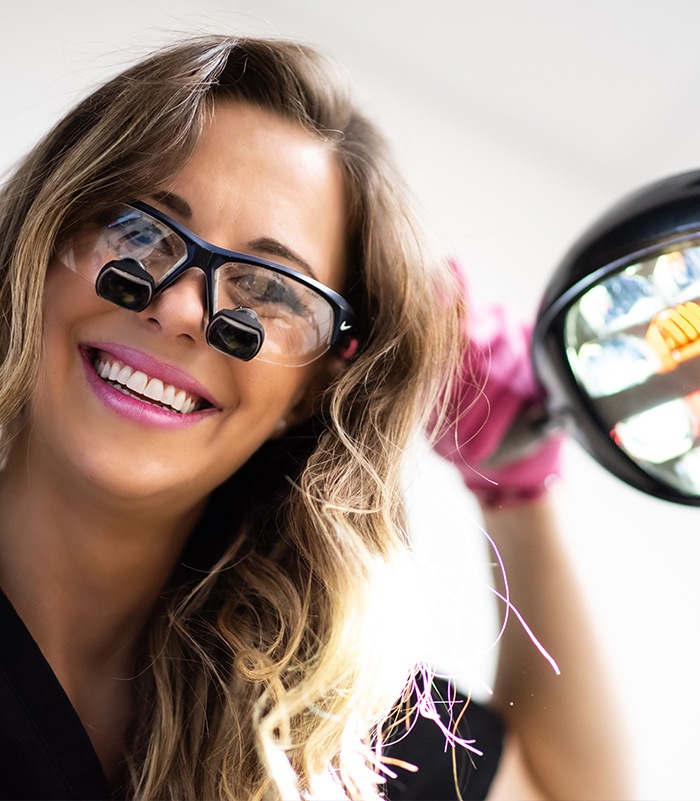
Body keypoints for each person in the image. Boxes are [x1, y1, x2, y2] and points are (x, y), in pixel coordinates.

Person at [0, 33, 633, 801]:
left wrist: (515, 487)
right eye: (138, 229)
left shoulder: (318, 727)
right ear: (39, 240)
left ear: (309, 389)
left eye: (268, 290)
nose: (179, 309)